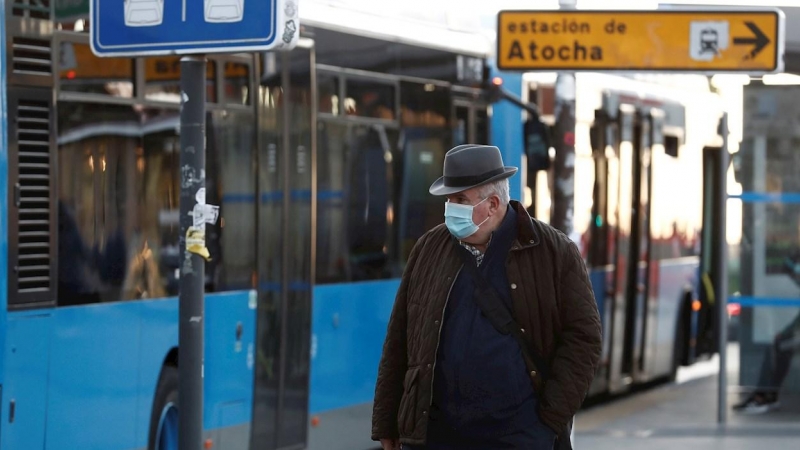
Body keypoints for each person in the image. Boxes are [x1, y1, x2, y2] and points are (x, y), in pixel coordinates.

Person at [371, 145, 602, 450]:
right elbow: (399, 339)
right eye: (449, 199)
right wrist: (388, 422)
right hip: (437, 436)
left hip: (517, 437)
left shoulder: (554, 253)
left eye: (460, 200)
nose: (450, 208)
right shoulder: (429, 248)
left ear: (493, 204)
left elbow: (584, 339)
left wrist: (549, 421)